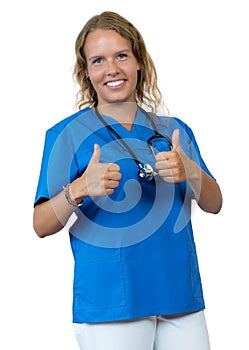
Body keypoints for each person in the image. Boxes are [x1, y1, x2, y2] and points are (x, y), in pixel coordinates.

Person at [33, 11, 222, 350]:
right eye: (98, 60)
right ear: (86, 72)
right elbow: (41, 224)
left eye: (121, 55)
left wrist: (190, 171)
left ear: (138, 61)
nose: (112, 69)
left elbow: (215, 203)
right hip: (112, 303)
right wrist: (79, 189)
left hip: (179, 296)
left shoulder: (173, 129)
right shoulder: (65, 135)